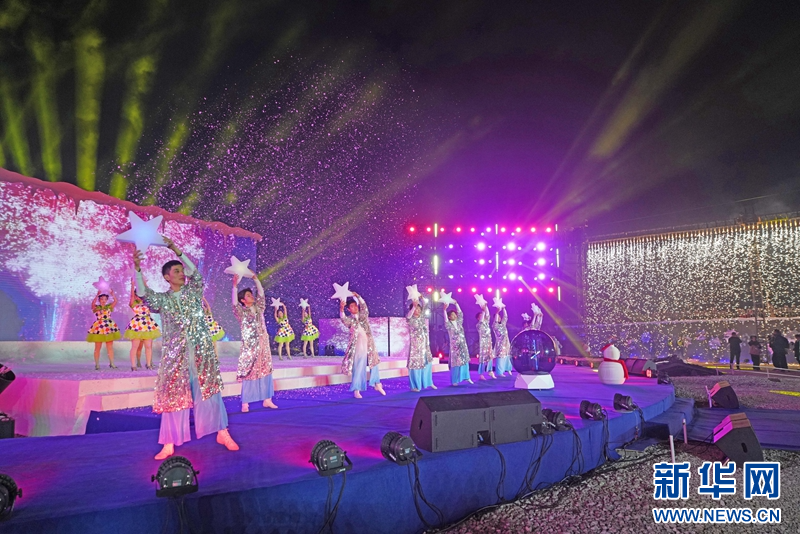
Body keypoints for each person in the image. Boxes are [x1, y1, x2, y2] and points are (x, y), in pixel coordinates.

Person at [134, 238, 238, 460]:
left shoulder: (193, 292)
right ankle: (169, 442)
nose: (182, 274)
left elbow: (196, 275)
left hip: (201, 352)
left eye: (182, 270)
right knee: (174, 396)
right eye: (177, 271)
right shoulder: (162, 300)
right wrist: (137, 269)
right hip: (176, 357)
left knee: (210, 392)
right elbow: (143, 294)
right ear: (166, 277)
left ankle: (222, 432)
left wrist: (175, 249)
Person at [232, 275, 278, 412]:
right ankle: (245, 403)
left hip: (263, 345)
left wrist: (256, 279)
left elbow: (261, 294)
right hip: (250, 346)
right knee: (249, 371)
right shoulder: (241, 312)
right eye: (248, 295)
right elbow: (234, 304)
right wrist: (234, 286)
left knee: (266, 369)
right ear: (243, 300)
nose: (251, 296)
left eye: (251, 294)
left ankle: (267, 399)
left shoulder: (258, 308)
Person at [340, 292, 385, 398]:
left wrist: (358, 296)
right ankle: (357, 389)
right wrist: (341, 309)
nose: (355, 307)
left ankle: (377, 384)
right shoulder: (350, 320)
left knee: (374, 363)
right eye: (352, 306)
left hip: (369, 345)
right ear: (349, 309)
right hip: (358, 347)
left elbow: (364, 307)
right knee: (358, 367)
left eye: (355, 305)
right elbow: (343, 319)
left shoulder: (363, 316)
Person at [124, 279, 160, 370]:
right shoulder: (133, 303)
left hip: (147, 325)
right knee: (135, 346)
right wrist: (132, 285)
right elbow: (131, 296)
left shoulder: (147, 303)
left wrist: (145, 283)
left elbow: (150, 295)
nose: (140, 296)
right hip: (137, 325)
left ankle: (148, 364)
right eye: (138, 294)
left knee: (148, 346)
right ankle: (133, 365)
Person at [406, 300, 437, 391]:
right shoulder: (410, 319)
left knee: (428, 363)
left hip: (425, 345)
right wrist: (414, 306)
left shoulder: (421, 318)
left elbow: (425, 304)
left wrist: (421, 298)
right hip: (416, 347)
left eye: (419, 309)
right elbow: (408, 316)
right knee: (415, 365)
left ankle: (428, 382)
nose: (418, 310)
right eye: (416, 309)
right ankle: (415, 386)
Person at [86, 288, 121, 370]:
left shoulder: (109, 307)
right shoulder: (96, 307)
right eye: (102, 299)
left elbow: (116, 301)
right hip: (99, 327)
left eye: (105, 299)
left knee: (110, 347)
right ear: (99, 300)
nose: (103, 301)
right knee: (97, 347)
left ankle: (112, 363)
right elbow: (92, 304)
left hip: (108, 326)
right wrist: (97, 295)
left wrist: (112, 294)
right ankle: (97, 364)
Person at [444, 300, 472, 386]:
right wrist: (444, 310)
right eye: (452, 315)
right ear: (449, 317)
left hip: (463, 345)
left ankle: (467, 377)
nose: (454, 315)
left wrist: (456, 304)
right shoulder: (449, 325)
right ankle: (454, 381)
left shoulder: (459, 323)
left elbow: (461, 314)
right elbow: (445, 320)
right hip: (455, 347)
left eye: (454, 314)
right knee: (455, 363)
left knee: (465, 361)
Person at [476, 304, 495, 380]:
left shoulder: (486, 322)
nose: (483, 316)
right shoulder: (478, 325)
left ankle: (490, 371)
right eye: (480, 316)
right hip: (483, 344)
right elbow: (481, 320)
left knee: (490, 357)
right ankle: (481, 374)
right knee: (482, 358)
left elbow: (488, 314)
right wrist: (483, 311)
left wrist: (485, 306)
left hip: (489, 342)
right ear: (478, 318)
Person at [493, 307, 512, 376]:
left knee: (508, 356)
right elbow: (495, 321)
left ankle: (508, 369)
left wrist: (504, 309)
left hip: (506, 343)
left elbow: (505, 317)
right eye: (497, 317)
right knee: (501, 357)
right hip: (500, 344)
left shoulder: (503, 324)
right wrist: (497, 312)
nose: (499, 318)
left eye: (499, 317)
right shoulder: (495, 326)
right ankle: (500, 372)